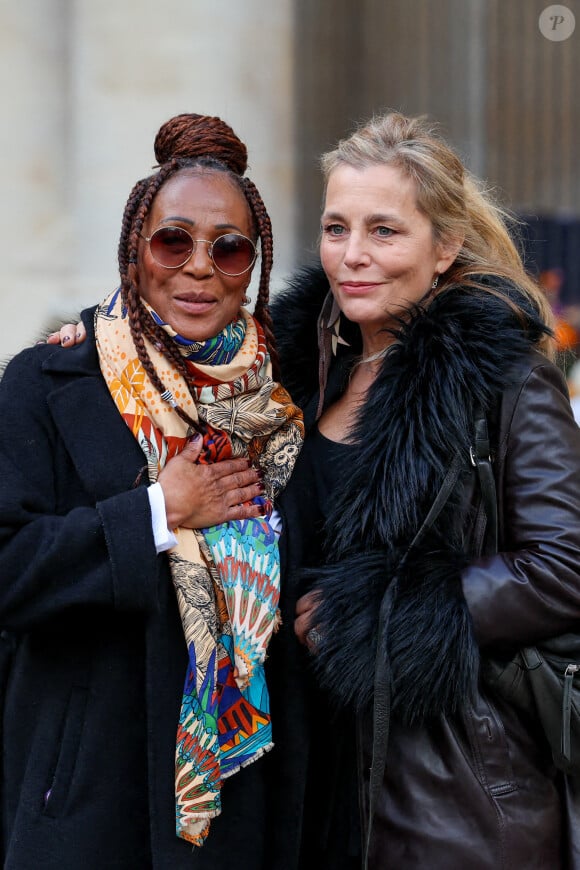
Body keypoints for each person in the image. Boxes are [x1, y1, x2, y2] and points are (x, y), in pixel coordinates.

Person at [48, 111, 580, 869]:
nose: (353, 256)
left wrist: (379, 616)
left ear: (446, 247)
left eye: (385, 231)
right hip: (302, 782)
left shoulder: (504, 375)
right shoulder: (291, 364)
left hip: (448, 796)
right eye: (336, 228)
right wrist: (95, 341)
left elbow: (565, 564)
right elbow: (175, 347)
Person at [0, 112, 304, 869]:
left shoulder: (284, 406)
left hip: (244, 805)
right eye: (174, 240)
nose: (199, 267)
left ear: (252, 265)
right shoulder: (46, 381)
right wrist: (157, 514)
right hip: (87, 805)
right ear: (135, 254)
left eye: (228, 248)